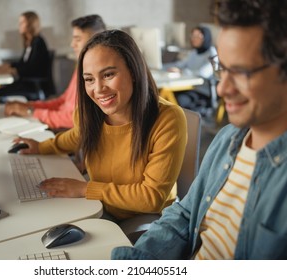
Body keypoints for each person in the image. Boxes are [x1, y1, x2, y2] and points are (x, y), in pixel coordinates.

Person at [112, 0, 287, 260]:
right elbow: (185, 215)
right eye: (222, 67)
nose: (222, 89)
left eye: (242, 72)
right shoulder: (228, 138)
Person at [12, 30, 187, 222]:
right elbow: (76, 136)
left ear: (134, 71)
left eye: (108, 74)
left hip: (148, 219)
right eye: (89, 79)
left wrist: (83, 189)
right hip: (101, 206)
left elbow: (150, 198)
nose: (98, 89)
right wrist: (41, 146)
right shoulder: (90, 112)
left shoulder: (168, 119)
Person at [4, 14, 106, 130]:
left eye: (78, 39)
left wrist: (31, 111)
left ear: (97, 40)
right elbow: (63, 101)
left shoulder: (97, 77)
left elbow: (73, 119)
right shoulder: (81, 66)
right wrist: (30, 106)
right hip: (62, 128)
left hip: (70, 135)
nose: (72, 44)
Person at [0, 11, 51, 100]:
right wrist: (6, 67)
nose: (19, 25)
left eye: (22, 23)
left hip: (33, 85)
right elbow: (22, 64)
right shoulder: (29, 43)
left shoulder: (38, 42)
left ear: (30, 24)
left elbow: (33, 68)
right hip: (27, 82)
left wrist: (12, 70)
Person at [164, 26, 217, 114]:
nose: (194, 39)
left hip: (203, 92)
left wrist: (181, 71)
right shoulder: (193, 52)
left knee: (178, 99)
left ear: (206, 37)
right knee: (167, 96)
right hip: (190, 87)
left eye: (198, 36)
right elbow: (179, 65)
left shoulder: (212, 53)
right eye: (193, 36)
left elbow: (203, 73)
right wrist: (162, 66)